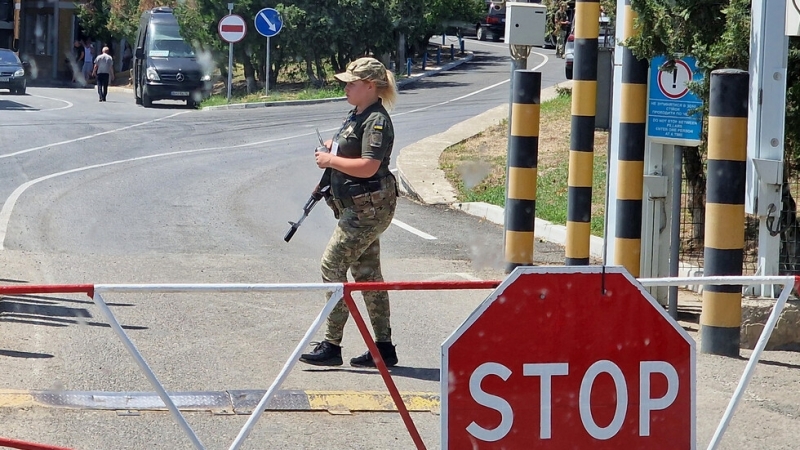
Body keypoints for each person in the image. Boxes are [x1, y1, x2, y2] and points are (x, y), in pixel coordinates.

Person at [299, 57, 400, 368]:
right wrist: (333, 148)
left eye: (351, 84)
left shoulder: (376, 120)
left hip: (366, 210)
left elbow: (369, 165)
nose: (345, 88)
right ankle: (383, 348)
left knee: (331, 269)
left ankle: (332, 345)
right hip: (360, 207)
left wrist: (330, 161)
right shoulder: (359, 113)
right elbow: (351, 148)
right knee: (368, 276)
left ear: (370, 86)